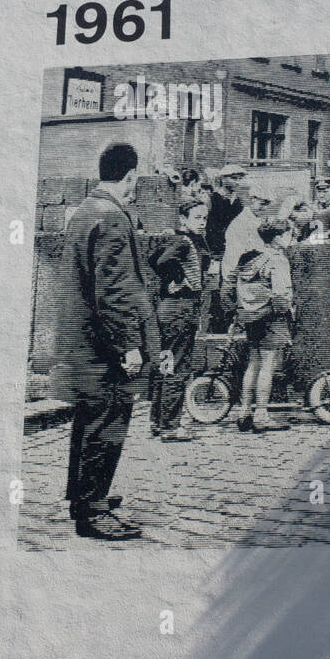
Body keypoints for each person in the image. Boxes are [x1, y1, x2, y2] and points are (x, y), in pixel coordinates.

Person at [53, 142, 168, 541]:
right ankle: (93, 511)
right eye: (138, 179)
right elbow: (114, 291)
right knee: (108, 425)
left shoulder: (86, 211)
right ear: (131, 177)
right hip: (105, 347)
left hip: (85, 341)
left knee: (90, 422)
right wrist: (129, 346)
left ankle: (82, 498)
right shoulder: (112, 218)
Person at [221, 217, 295, 433]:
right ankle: (261, 414)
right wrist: (285, 311)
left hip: (251, 317)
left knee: (253, 363)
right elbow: (281, 296)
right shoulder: (278, 260)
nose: (290, 238)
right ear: (278, 237)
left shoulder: (249, 257)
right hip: (271, 318)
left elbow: (228, 284)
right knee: (268, 365)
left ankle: (245, 412)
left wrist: (237, 310)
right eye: (288, 234)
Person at [147, 198, 210, 441]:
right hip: (180, 310)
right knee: (177, 366)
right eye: (197, 218)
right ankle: (170, 426)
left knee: (167, 364)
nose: (202, 223)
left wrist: (171, 281)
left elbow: (153, 258)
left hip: (171, 310)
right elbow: (160, 262)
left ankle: (157, 421)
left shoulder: (181, 238)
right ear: (183, 219)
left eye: (205, 218)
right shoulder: (184, 240)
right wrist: (177, 280)